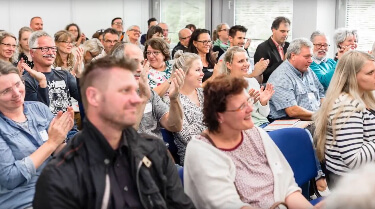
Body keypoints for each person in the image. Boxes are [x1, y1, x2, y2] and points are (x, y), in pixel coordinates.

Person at [33, 56, 196, 209]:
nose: (137, 99)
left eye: (135, 90)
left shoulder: (154, 150)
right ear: (94, 97)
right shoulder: (60, 176)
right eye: (125, 91)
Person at [184, 75, 312, 209]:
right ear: (219, 116)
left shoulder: (255, 133)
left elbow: (287, 187)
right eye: (242, 106)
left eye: (249, 101)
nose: (251, 109)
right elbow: (227, 205)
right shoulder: (202, 151)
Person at [0, 61, 73, 209]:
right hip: (23, 200)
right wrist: (51, 143)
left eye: (17, 84)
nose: (16, 93)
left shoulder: (39, 109)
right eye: (5, 91)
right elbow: (10, 177)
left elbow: (59, 151)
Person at [314, 51, 375, 188]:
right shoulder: (347, 107)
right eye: (370, 73)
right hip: (352, 185)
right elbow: (354, 160)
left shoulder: (363, 97)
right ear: (352, 77)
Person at [111, 42, 184, 141]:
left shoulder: (149, 93)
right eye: (133, 62)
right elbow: (123, 138)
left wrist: (174, 99)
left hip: (156, 151)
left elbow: (174, 126)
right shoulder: (107, 97)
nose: (140, 69)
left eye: (141, 63)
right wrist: (143, 98)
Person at [268, 38, 325, 121]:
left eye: (311, 56)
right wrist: (322, 116)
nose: (311, 61)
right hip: (293, 124)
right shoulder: (281, 76)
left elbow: (321, 94)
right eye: (306, 57)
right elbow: (292, 111)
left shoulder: (308, 70)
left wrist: (328, 111)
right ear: (293, 56)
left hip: (315, 118)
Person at [166, 50, 206, 165]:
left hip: (216, 149)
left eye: (202, 70)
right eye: (198, 70)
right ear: (183, 73)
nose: (202, 73)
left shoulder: (204, 93)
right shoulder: (172, 100)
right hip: (194, 159)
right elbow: (188, 137)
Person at [222, 46, 274, 128]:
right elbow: (230, 120)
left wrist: (263, 103)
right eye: (240, 61)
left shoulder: (252, 81)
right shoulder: (223, 87)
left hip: (265, 124)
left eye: (247, 60)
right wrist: (247, 103)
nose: (246, 64)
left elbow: (264, 114)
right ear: (229, 65)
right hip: (247, 128)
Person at [254, 16, 291, 83]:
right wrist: (283, 61)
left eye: (287, 31)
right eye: (282, 31)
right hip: (271, 86)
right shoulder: (263, 48)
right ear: (273, 30)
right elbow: (264, 74)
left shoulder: (289, 46)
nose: (286, 34)